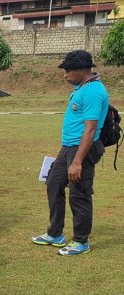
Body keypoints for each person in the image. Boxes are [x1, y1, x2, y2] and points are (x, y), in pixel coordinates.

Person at [32, 50, 109, 256]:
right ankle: (55, 234)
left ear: (83, 69)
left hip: (82, 150)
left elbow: (90, 129)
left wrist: (77, 161)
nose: (65, 74)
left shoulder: (93, 91)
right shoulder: (80, 88)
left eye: (68, 69)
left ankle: (81, 241)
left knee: (79, 194)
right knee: (53, 184)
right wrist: (66, 153)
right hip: (68, 147)